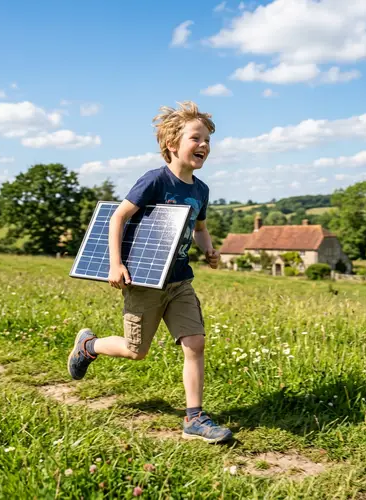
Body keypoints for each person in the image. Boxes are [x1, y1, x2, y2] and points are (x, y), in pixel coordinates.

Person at [68, 101, 232, 443]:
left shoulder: (200, 190)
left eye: (207, 141)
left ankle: (194, 417)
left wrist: (210, 250)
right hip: (144, 282)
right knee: (135, 350)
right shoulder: (154, 181)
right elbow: (118, 217)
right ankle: (89, 346)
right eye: (195, 138)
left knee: (195, 342)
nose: (204, 145)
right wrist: (117, 263)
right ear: (172, 144)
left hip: (180, 281)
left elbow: (200, 228)